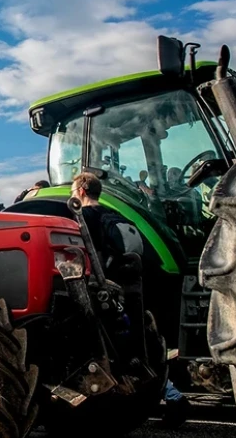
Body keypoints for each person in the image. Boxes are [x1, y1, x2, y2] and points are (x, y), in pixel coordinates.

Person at [70, 172, 189, 427]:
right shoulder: (117, 215)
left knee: (114, 353)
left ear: (80, 191)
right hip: (127, 291)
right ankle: (173, 398)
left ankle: (172, 397)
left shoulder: (84, 217)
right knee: (135, 350)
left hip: (103, 291)